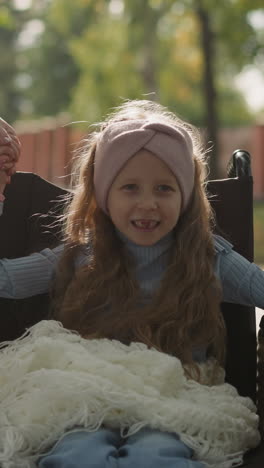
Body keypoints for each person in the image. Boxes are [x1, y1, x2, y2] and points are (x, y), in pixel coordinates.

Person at [0, 100, 264, 468]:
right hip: (90, 389)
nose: (147, 203)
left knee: (157, 454)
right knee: (78, 452)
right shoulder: (83, 254)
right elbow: (8, 280)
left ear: (185, 195)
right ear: (104, 195)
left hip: (174, 393)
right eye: (130, 188)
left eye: (163, 189)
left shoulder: (206, 258)